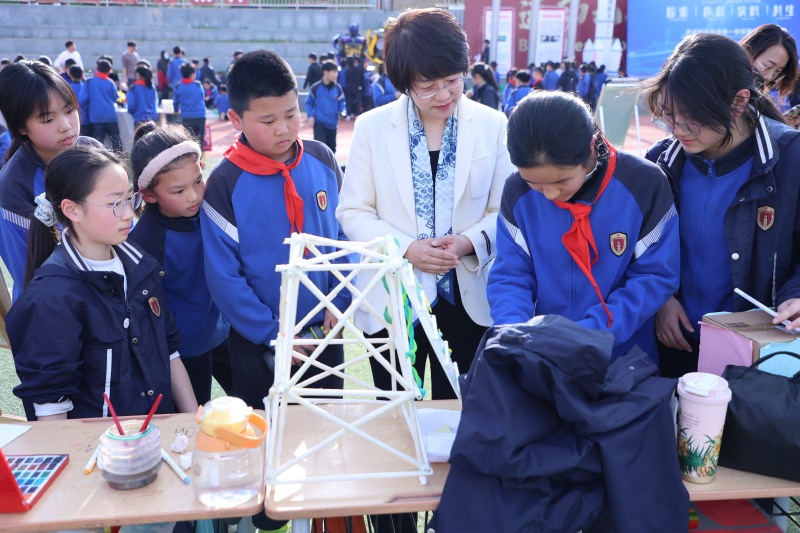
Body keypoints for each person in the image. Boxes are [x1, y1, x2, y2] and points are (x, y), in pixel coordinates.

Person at [336, 11, 514, 530]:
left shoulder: (493, 125)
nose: (444, 94)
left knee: (470, 425)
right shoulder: (373, 128)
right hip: (395, 303)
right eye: (428, 85)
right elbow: (353, 211)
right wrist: (407, 249)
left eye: (453, 80)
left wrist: (469, 241)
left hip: (469, 301)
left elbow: (506, 209)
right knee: (396, 430)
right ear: (403, 83)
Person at [642, 33, 800, 377]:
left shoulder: (791, 158)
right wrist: (662, 300)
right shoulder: (660, 162)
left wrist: (796, 295)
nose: (677, 129)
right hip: (677, 341)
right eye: (667, 116)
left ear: (738, 102)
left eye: (690, 118)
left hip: (761, 351)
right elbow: (640, 250)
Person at [201, 49, 348, 415]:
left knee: (327, 426)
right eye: (267, 120)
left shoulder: (322, 158)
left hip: (325, 330)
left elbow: (346, 236)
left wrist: (341, 299)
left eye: (291, 114)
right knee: (265, 432)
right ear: (235, 118)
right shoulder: (224, 182)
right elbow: (224, 277)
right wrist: (272, 333)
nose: (283, 128)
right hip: (259, 341)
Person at [8, 145, 198, 421]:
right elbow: (51, 408)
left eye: (129, 199)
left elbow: (169, 351)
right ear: (71, 209)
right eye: (114, 204)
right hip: (99, 445)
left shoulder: (141, 265)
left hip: (156, 433)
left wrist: (193, 420)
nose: (128, 213)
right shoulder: (51, 298)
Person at [488, 91, 679, 361]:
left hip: (623, 358)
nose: (550, 195)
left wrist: (587, 334)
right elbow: (511, 275)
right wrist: (515, 335)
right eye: (535, 183)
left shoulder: (644, 183)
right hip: (542, 355)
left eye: (561, 182)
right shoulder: (517, 191)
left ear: (590, 147)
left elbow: (654, 277)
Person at [129, 122, 232, 404]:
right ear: (149, 195)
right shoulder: (144, 242)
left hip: (223, 330)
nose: (194, 196)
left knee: (257, 403)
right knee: (195, 419)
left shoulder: (213, 210)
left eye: (198, 181)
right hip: (183, 352)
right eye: (178, 191)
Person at [0, 60, 101, 298]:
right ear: (21, 127)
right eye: (47, 119)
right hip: (58, 306)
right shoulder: (13, 186)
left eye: (69, 110)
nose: (66, 126)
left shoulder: (93, 151)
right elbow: (29, 274)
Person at [740, 24, 799, 111]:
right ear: (748, 52)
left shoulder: (763, 104)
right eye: (767, 66)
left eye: (778, 72)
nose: (770, 77)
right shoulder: (721, 87)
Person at [79, 59, 122, 151]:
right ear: (109, 70)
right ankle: (120, 157)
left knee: (97, 142)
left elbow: (82, 100)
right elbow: (116, 97)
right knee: (116, 140)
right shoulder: (110, 82)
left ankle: (98, 158)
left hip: (96, 116)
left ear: (97, 68)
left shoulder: (89, 82)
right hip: (111, 115)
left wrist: (87, 111)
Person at [306, 61, 345, 153]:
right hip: (319, 123)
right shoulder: (315, 88)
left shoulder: (337, 88)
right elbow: (308, 103)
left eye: (336, 72)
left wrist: (342, 111)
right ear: (326, 72)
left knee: (331, 151)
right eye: (334, 72)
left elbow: (342, 102)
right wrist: (310, 115)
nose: (336, 74)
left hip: (333, 124)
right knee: (320, 149)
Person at [173, 62, 206, 147]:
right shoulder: (198, 85)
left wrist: (176, 109)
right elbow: (203, 97)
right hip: (200, 115)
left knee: (189, 140)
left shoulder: (178, 86)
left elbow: (176, 102)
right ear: (192, 74)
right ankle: (200, 154)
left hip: (187, 116)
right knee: (200, 140)